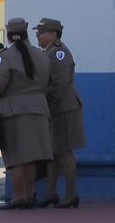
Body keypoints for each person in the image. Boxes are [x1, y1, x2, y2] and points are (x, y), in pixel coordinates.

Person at [0, 18, 54, 209]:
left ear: (8, 35)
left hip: (12, 112)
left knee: (14, 156)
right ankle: (29, 194)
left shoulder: (4, 57)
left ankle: (18, 196)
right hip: (39, 110)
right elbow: (49, 83)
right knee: (31, 156)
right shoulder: (41, 55)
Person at [35, 17, 85, 207]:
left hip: (63, 108)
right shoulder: (49, 52)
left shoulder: (58, 53)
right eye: (38, 32)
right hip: (55, 107)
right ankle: (51, 192)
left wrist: (49, 105)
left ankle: (71, 194)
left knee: (64, 152)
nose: (39, 35)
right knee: (54, 152)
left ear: (54, 33)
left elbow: (59, 84)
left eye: (42, 31)